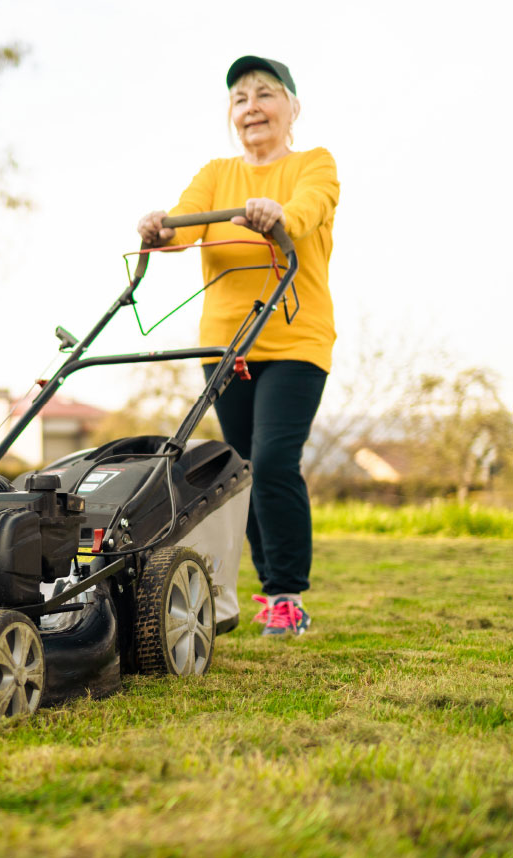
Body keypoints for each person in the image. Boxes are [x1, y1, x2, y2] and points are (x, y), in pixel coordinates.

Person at [137, 55, 339, 637]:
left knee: (276, 460)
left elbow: (308, 211)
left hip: (295, 338)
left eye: (266, 94)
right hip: (228, 345)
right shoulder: (217, 173)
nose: (252, 107)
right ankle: (267, 588)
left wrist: (279, 213)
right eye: (240, 99)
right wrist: (161, 227)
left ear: (292, 108)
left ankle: (286, 596)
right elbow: (185, 226)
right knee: (244, 470)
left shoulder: (314, 164)